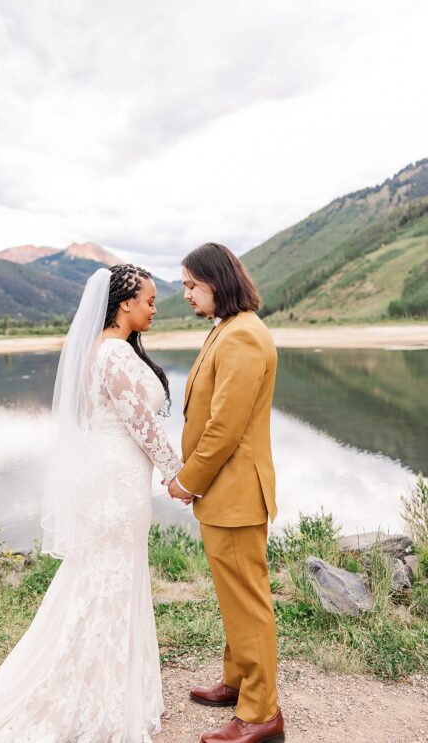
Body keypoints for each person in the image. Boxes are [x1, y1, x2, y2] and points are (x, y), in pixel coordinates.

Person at [0, 264, 184, 742]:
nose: (153, 308)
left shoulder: (98, 351)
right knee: (110, 577)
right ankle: (95, 696)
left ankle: (112, 685)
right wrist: (177, 474)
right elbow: (142, 425)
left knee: (104, 576)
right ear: (124, 304)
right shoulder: (116, 356)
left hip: (108, 474)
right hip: (116, 482)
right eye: (149, 300)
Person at [168, 243, 284, 743]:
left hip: (234, 493)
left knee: (248, 601)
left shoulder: (243, 337)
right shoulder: (229, 329)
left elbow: (224, 428)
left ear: (218, 280)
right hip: (225, 493)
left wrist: (186, 479)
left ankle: (261, 714)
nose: (187, 294)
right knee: (233, 596)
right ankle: (238, 682)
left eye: (192, 285)